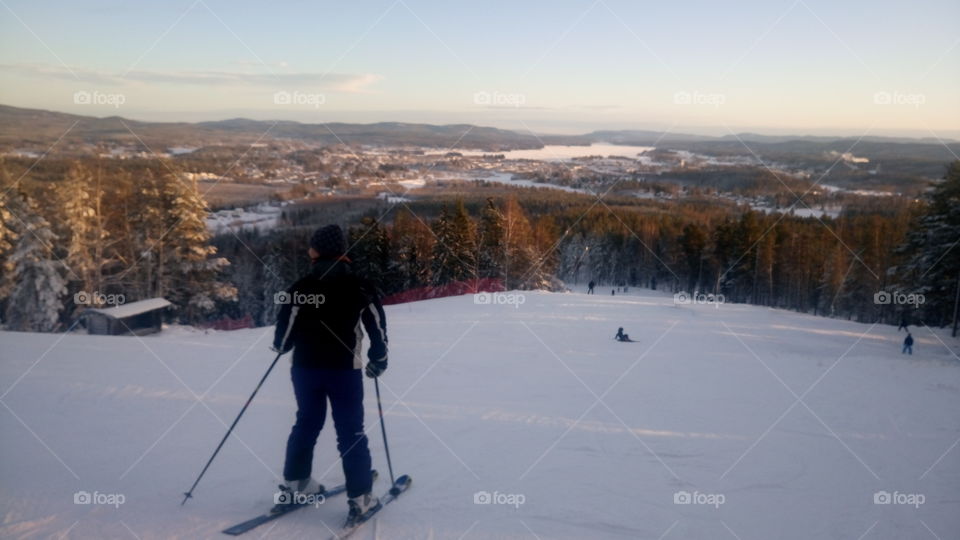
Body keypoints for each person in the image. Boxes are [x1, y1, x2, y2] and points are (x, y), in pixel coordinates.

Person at [272, 224, 389, 523]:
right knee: (350, 431)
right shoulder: (361, 286)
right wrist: (379, 359)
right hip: (344, 371)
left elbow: (283, 341)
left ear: (317, 250)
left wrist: (283, 345)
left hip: (306, 370)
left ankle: (297, 485)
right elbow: (377, 328)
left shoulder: (300, 288)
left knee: (306, 423)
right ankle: (360, 497)